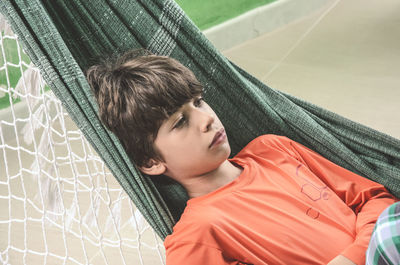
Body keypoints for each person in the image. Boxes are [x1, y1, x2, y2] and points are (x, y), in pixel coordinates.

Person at [86, 50, 398, 265]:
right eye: (180, 122)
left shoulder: (274, 149)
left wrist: (351, 257)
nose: (206, 119)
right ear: (151, 162)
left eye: (199, 102)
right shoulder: (198, 234)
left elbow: (376, 198)